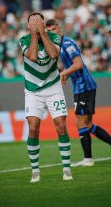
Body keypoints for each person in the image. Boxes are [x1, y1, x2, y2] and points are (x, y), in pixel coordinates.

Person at [45, 19, 111, 166]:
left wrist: (63, 73)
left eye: (53, 29)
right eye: (49, 31)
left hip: (85, 86)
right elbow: (72, 66)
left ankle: (89, 159)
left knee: (80, 122)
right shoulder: (60, 46)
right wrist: (66, 75)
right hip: (80, 87)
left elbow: (78, 64)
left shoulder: (68, 44)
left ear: (59, 29)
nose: (52, 32)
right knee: (87, 124)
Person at [19, 12, 72, 182]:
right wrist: (35, 34)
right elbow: (33, 57)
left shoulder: (54, 36)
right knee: (33, 127)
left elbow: (54, 55)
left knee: (61, 125)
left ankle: (67, 169)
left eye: (38, 22)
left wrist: (42, 32)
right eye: (32, 23)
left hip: (53, 87)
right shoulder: (24, 40)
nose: (35, 25)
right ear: (28, 26)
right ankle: (35, 171)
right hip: (33, 89)